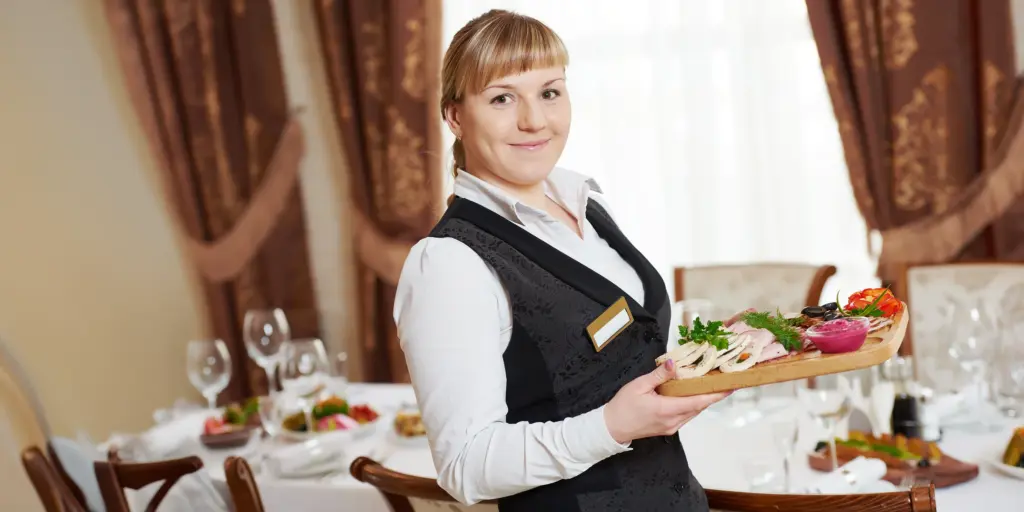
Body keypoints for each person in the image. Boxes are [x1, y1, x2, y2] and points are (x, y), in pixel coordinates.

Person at [394, 9, 730, 512]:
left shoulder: (587, 206)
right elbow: (465, 467)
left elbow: (612, 361)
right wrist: (613, 426)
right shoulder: (449, 264)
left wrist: (727, 352)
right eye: (502, 98)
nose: (534, 119)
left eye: (549, 92)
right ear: (455, 116)